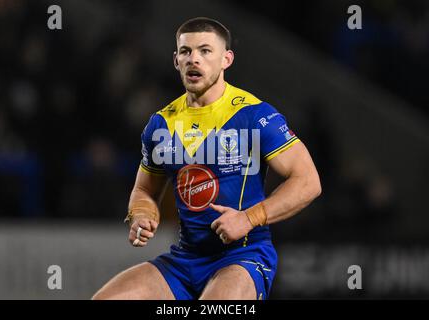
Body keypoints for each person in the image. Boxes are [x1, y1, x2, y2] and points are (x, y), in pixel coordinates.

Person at [92, 17, 321, 300]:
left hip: (243, 257)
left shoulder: (254, 115)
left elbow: (308, 181)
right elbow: (144, 190)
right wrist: (141, 212)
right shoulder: (161, 124)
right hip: (185, 260)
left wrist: (250, 218)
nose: (194, 59)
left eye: (205, 51)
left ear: (227, 59)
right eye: (186, 52)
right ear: (176, 61)